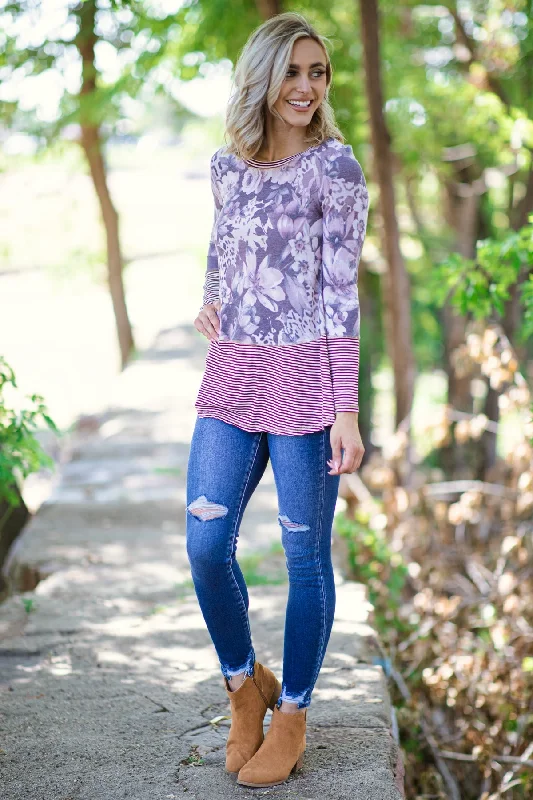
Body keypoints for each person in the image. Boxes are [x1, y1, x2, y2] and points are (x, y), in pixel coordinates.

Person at [186, 11, 369, 789]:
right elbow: (221, 244)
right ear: (262, 76)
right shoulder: (227, 165)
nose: (305, 86)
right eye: (292, 71)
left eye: (317, 73)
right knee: (204, 544)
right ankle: (242, 690)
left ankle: (291, 711)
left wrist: (346, 407)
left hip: (306, 382)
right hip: (233, 373)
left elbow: (341, 291)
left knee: (304, 557)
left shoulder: (337, 169)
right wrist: (209, 297)